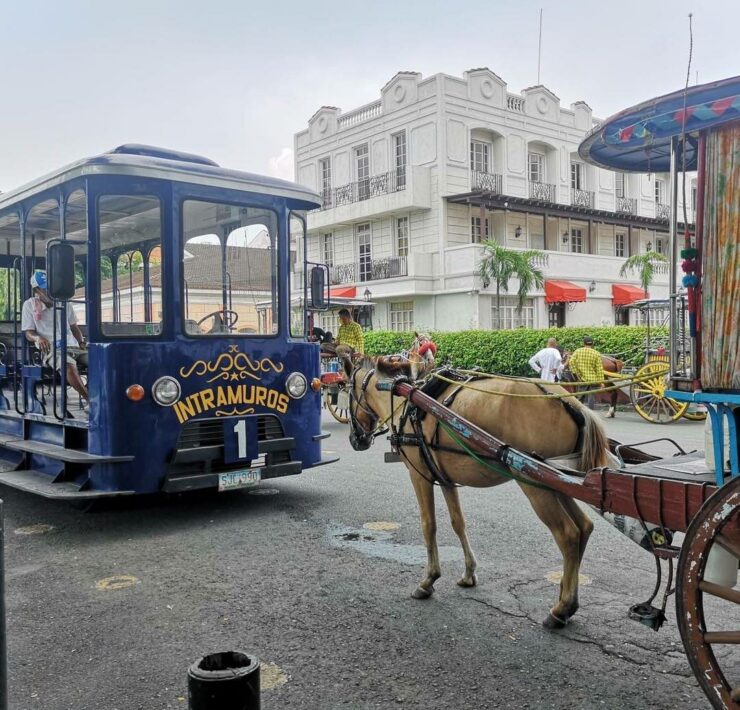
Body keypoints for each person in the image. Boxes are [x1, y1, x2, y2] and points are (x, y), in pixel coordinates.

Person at [21, 270, 89, 407]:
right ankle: (91, 401)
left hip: (73, 346)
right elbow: (28, 332)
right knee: (68, 365)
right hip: (52, 348)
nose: (50, 292)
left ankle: (104, 395)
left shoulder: (65, 303)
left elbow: (74, 328)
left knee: (99, 361)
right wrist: (38, 338)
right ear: (37, 290)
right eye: (45, 289)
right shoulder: (29, 305)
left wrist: (81, 342)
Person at [567, 336, 604, 410]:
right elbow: (599, 369)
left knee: (580, 397)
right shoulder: (596, 353)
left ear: (583, 343)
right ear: (592, 344)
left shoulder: (578, 351)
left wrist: (575, 373)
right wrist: (601, 382)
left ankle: (578, 412)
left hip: (582, 379)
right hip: (593, 380)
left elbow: (571, 362)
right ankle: (591, 413)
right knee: (591, 397)